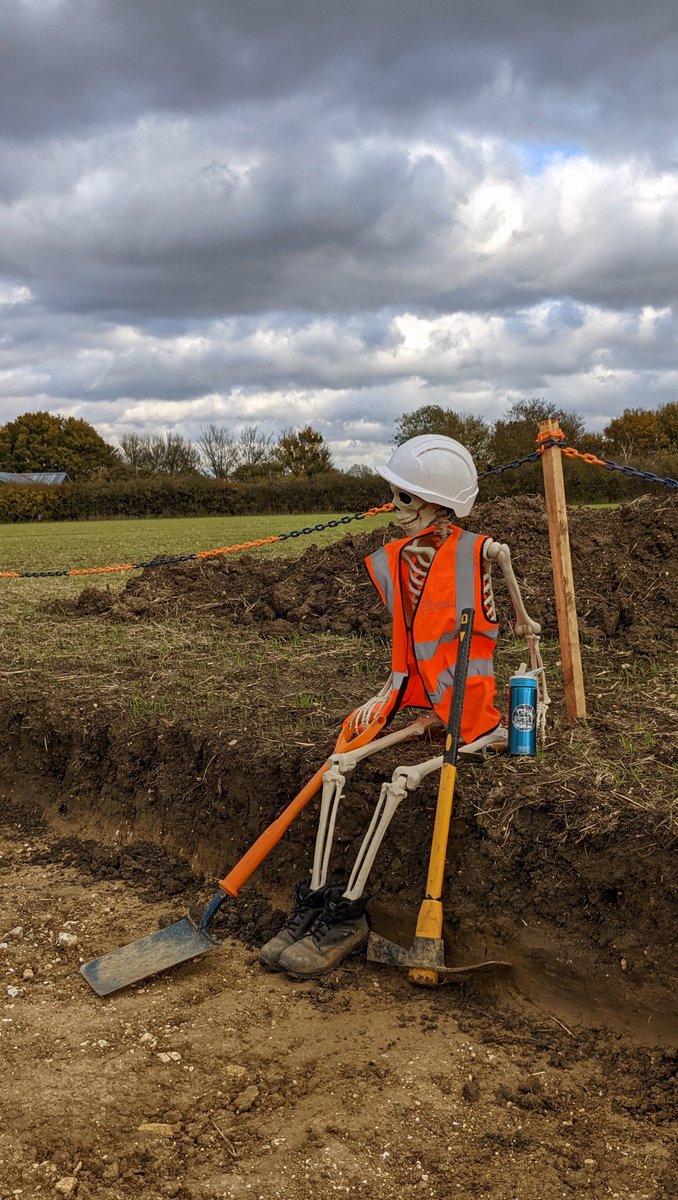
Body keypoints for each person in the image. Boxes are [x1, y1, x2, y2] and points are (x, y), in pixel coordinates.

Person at [260, 435, 541, 979]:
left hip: (471, 708)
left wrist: (529, 644)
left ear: (441, 503)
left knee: (398, 782)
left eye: (407, 498)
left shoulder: (481, 552)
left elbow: (521, 619)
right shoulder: (398, 558)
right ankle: (315, 901)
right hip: (412, 696)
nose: (397, 509)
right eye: (395, 495)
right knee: (339, 764)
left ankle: (348, 915)